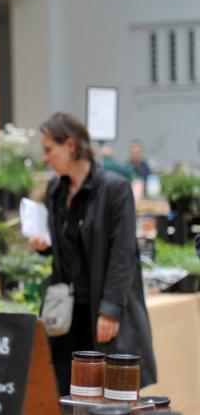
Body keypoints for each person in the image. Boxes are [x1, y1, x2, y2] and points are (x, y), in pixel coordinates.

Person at [28, 112, 156, 396]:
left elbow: (123, 254)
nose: (46, 158)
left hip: (101, 311)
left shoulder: (115, 189)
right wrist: (45, 245)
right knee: (65, 391)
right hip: (65, 313)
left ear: (71, 146)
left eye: (49, 149)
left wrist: (110, 310)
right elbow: (64, 244)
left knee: (109, 394)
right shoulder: (55, 189)